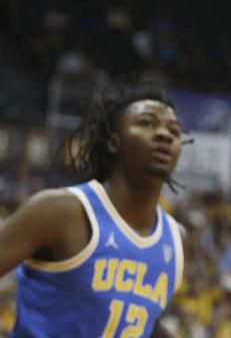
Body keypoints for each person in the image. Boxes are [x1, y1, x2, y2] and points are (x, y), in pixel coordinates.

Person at [0, 85, 184, 338]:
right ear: (112, 142)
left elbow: (144, 323)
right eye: (147, 123)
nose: (165, 134)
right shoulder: (61, 211)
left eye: (174, 130)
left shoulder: (176, 240)